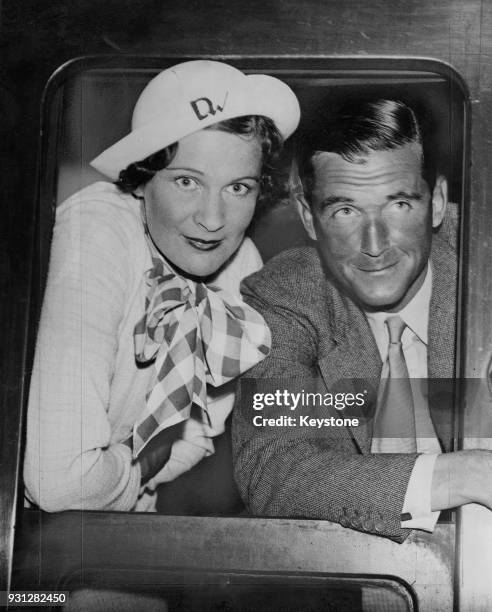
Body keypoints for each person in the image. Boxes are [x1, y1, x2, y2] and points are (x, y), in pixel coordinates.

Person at [24, 59, 300, 514]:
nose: (212, 221)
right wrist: (139, 466)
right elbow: (56, 483)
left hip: (116, 522)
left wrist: (129, 471)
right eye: (187, 181)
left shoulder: (241, 267)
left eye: (238, 188)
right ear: (142, 176)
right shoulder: (98, 232)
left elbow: (199, 436)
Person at [233, 98, 492, 543]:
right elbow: (274, 470)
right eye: (345, 210)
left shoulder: (484, 274)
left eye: (398, 206)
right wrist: (465, 475)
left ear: (437, 203)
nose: (374, 244)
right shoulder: (286, 297)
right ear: (307, 218)